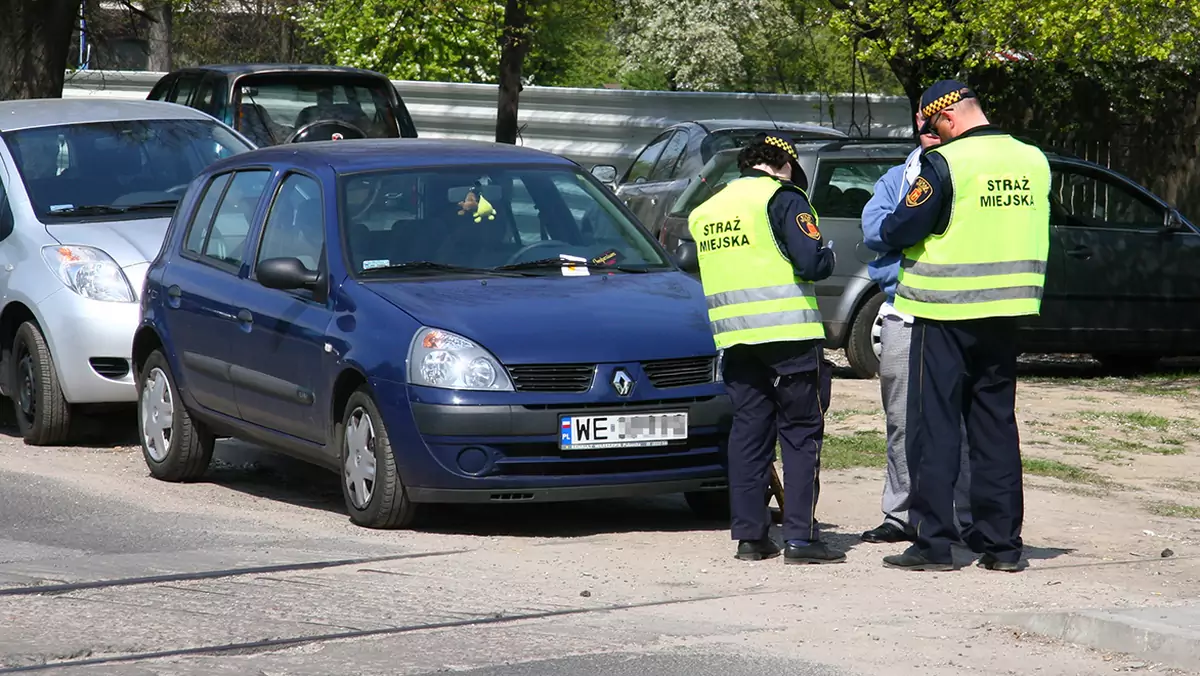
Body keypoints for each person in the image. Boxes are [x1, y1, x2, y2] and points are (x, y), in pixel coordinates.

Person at [876, 80, 1051, 572]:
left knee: (934, 429)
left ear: (947, 118)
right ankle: (1002, 546)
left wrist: (892, 232)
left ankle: (933, 544)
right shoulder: (1032, 159)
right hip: (1006, 311)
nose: (934, 136)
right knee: (995, 427)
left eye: (934, 128)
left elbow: (902, 227)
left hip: (945, 310)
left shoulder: (945, 164)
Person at [687, 133, 843, 565]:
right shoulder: (784, 198)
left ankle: (751, 538)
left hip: (735, 339)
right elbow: (811, 263)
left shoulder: (708, 210)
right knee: (800, 434)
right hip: (788, 335)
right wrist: (827, 257)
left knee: (749, 436)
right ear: (785, 164)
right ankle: (800, 538)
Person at [858, 114, 973, 545]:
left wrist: (908, 233)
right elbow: (874, 230)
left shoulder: (965, 173)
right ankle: (900, 513)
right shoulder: (895, 179)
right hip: (903, 310)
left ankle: (961, 515)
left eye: (935, 118)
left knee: (957, 419)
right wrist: (914, 242)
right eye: (920, 119)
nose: (927, 125)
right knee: (902, 418)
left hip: (953, 312)